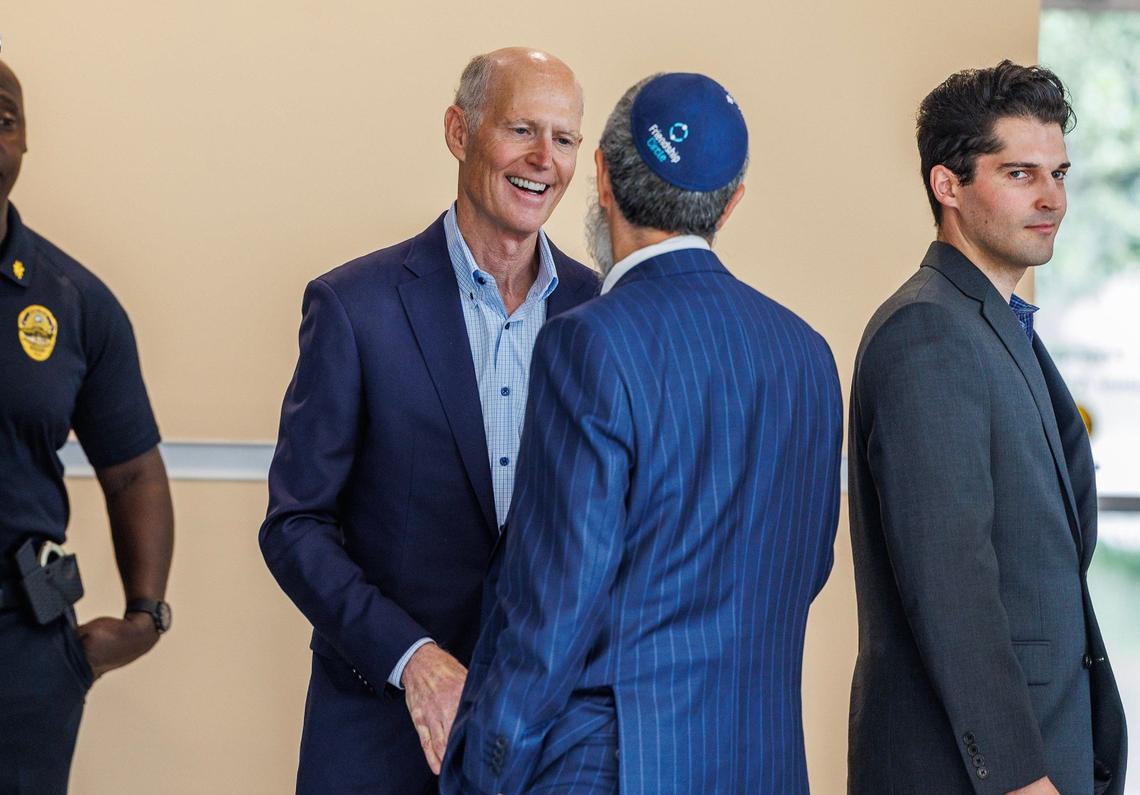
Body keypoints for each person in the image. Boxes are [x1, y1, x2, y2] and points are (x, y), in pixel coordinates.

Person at [441, 72, 843, 794]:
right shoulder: (807, 353)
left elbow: (554, 600)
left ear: (599, 171)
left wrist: (484, 763)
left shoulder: (588, 342)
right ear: (731, 203)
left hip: (614, 769)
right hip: (765, 765)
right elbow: (806, 566)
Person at [259, 47, 598, 794]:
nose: (544, 159)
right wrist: (411, 656)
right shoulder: (354, 306)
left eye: (565, 138)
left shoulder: (602, 313)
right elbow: (294, 524)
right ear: (459, 130)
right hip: (378, 736)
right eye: (520, 130)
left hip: (551, 745)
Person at [847, 60, 1127, 795]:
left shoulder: (998, 327)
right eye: (1020, 174)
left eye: (1059, 174)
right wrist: (1018, 777)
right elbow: (952, 583)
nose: (1053, 199)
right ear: (949, 185)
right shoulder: (927, 332)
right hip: (978, 776)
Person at [0, 57, 174, 793]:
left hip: (20, 647)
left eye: (4, 118)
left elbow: (133, 468)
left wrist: (144, 616)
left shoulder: (73, 300)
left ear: (26, 141)